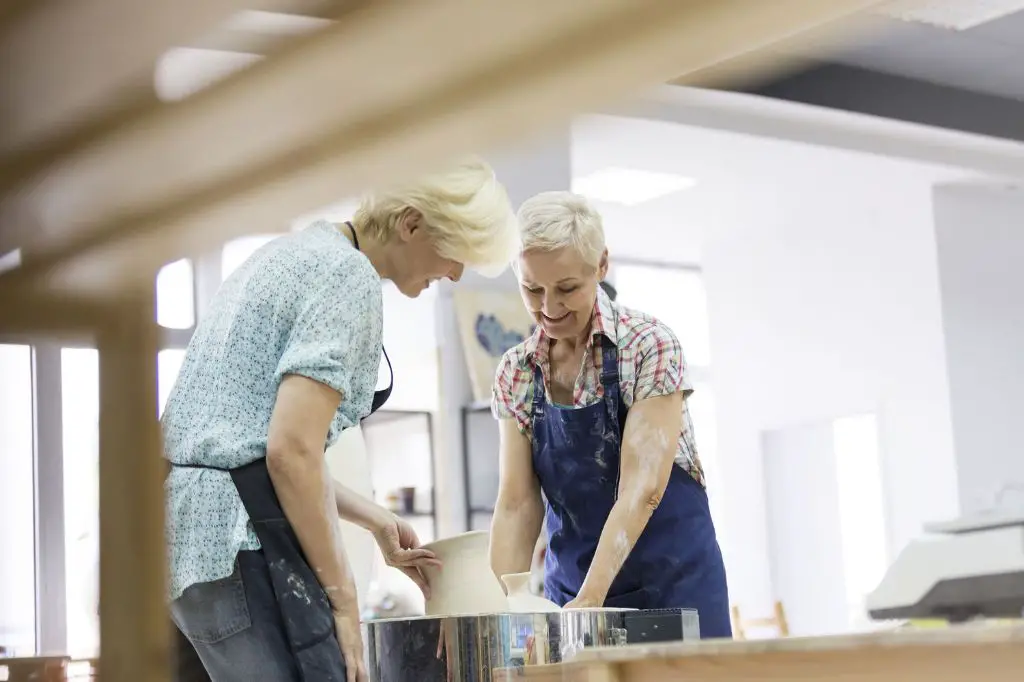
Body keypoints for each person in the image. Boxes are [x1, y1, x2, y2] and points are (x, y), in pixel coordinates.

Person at [163, 157, 519, 682]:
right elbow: (291, 453)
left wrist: (374, 518)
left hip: (183, 544)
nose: (456, 273)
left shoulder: (291, 253)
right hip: (235, 543)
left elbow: (249, 446)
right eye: (457, 253)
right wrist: (344, 597)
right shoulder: (349, 280)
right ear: (412, 223)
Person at [488, 191, 731, 638]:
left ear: (601, 266)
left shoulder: (649, 346)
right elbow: (517, 503)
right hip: (573, 594)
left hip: (672, 589)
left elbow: (642, 490)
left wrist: (592, 600)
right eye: (531, 289)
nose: (549, 307)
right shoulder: (516, 372)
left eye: (567, 289)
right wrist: (496, 612)